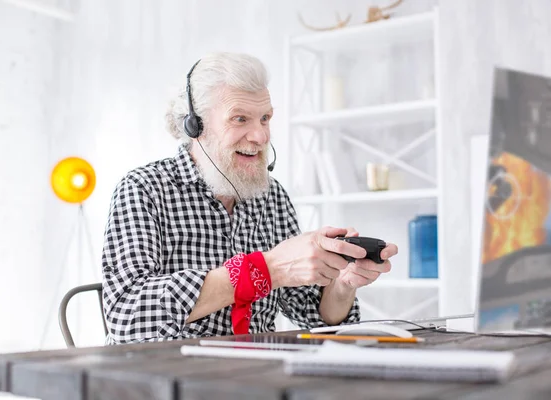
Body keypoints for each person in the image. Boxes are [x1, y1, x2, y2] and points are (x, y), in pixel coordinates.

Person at [101, 52, 397, 344]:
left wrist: (342, 285)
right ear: (195, 126)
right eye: (240, 119)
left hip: (251, 373)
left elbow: (311, 314)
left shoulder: (271, 195)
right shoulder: (143, 188)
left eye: (265, 118)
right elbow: (127, 316)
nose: (261, 136)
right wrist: (268, 268)